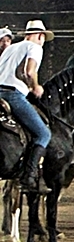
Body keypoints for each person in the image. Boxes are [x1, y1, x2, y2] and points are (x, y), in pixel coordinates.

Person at [0, 20, 53, 192]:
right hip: (12, 95)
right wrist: (35, 86)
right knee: (43, 134)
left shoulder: (11, 48)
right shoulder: (35, 47)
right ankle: (28, 177)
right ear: (40, 35)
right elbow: (29, 71)